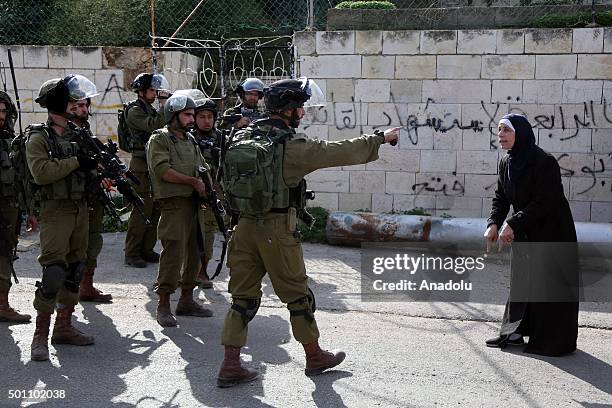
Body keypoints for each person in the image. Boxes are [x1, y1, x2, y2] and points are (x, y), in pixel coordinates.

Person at [216, 77, 400, 387]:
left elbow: (224, 183)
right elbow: (338, 151)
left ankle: (230, 364)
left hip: (243, 227)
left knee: (242, 299)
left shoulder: (241, 136)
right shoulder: (291, 146)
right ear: (288, 111)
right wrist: (380, 138)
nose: (303, 113)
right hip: (276, 230)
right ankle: (314, 356)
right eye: (300, 108)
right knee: (299, 297)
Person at [484, 113, 579, 356]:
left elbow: (545, 201)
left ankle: (554, 341)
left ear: (521, 133)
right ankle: (514, 333)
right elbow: (501, 197)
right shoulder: (506, 162)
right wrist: (494, 222)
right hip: (526, 229)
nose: (500, 135)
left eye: (506, 130)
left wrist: (513, 222)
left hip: (552, 231)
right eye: (498, 130)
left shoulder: (544, 162)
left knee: (549, 285)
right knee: (522, 280)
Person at [26, 75, 100, 361]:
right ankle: (39, 337)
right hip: (55, 211)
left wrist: (99, 170)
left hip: (80, 208)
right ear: (58, 103)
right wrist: (77, 162)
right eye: (72, 101)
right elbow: (41, 173)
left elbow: (89, 168)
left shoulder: (78, 135)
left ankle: (64, 326)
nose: (78, 106)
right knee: (53, 272)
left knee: (75, 269)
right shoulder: (38, 138)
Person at [145, 93, 214, 327]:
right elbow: (162, 171)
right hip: (174, 204)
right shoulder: (160, 139)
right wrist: (193, 182)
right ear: (173, 115)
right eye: (187, 115)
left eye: (192, 115)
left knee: (196, 251)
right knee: (173, 252)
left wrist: (209, 189)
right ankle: (163, 303)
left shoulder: (189, 140)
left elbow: (202, 167)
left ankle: (186, 299)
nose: (192, 119)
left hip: (194, 204)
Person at [123, 73, 170, 268]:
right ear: (141, 92)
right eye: (151, 90)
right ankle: (132, 252)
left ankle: (146, 248)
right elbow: (154, 126)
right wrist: (165, 105)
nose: (155, 93)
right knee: (141, 209)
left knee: (155, 208)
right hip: (141, 165)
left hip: (153, 163)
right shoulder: (134, 111)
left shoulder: (148, 108)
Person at [0, 90, 31, 323]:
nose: (1, 116)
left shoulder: (10, 142)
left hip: (11, 207)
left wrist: (29, 211)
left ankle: (2, 303)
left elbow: (22, 178)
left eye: (3, 111)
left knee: (6, 252)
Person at [192, 93, 223, 289]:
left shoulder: (220, 137)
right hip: (192, 191)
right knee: (188, 233)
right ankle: (185, 272)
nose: (206, 121)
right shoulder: (189, 137)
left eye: (209, 117)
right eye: (202, 117)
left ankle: (202, 270)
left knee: (209, 233)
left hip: (214, 193)